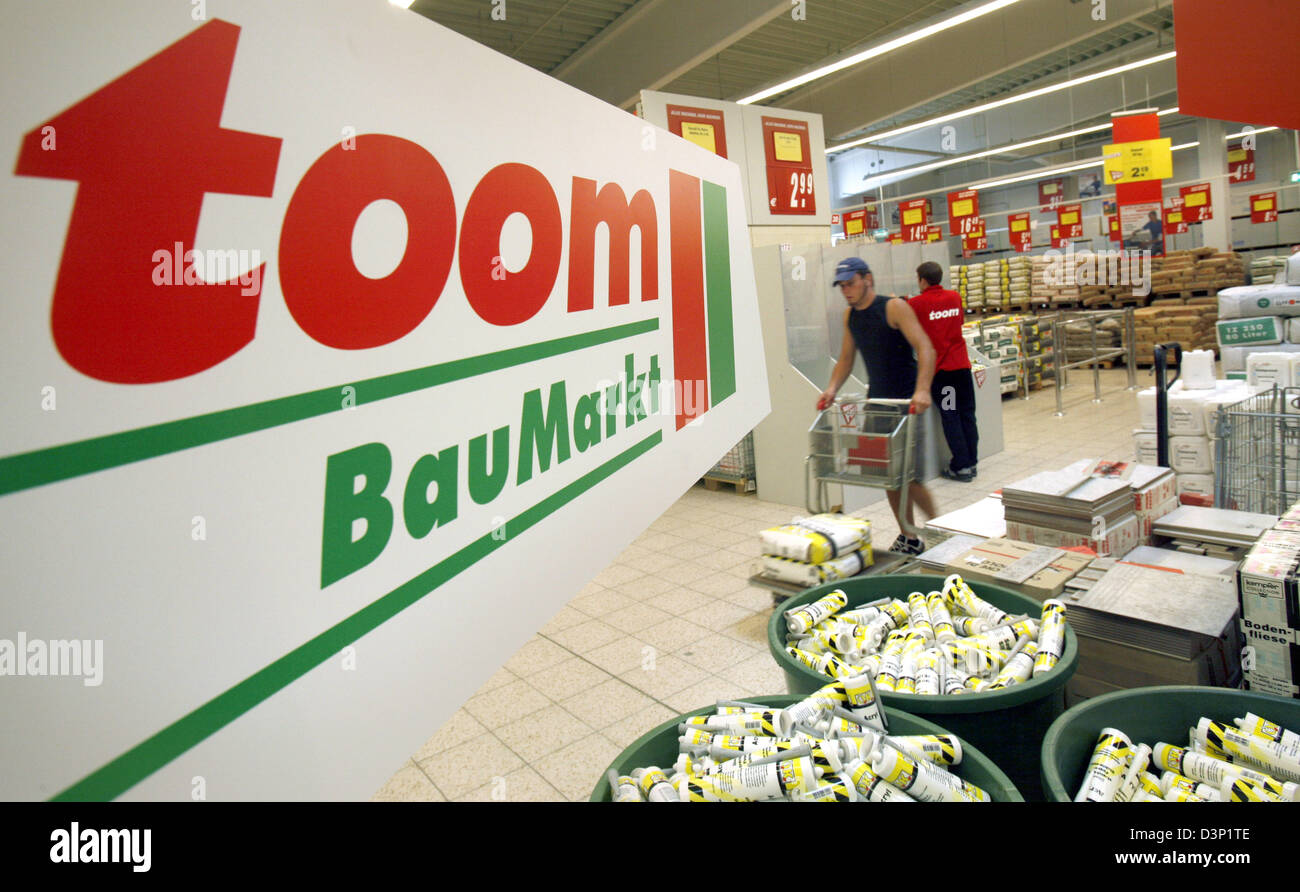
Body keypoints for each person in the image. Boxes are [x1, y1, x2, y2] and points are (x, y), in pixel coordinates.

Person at [818, 256, 937, 555]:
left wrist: (922, 390)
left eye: (851, 284)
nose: (846, 290)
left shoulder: (893, 307)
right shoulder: (851, 317)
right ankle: (908, 535)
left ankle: (942, 529)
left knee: (911, 476)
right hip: (879, 402)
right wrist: (831, 388)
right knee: (888, 474)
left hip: (907, 403)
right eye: (842, 286)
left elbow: (925, 348)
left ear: (867, 278)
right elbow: (846, 359)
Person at [908, 261, 979, 482]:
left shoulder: (917, 303)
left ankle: (961, 466)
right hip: (962, 368)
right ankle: (972, 461)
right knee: (967, 414)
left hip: (942, 372)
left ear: (922, 280)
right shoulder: (954, 297)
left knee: (951, 415)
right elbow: (958, 322)